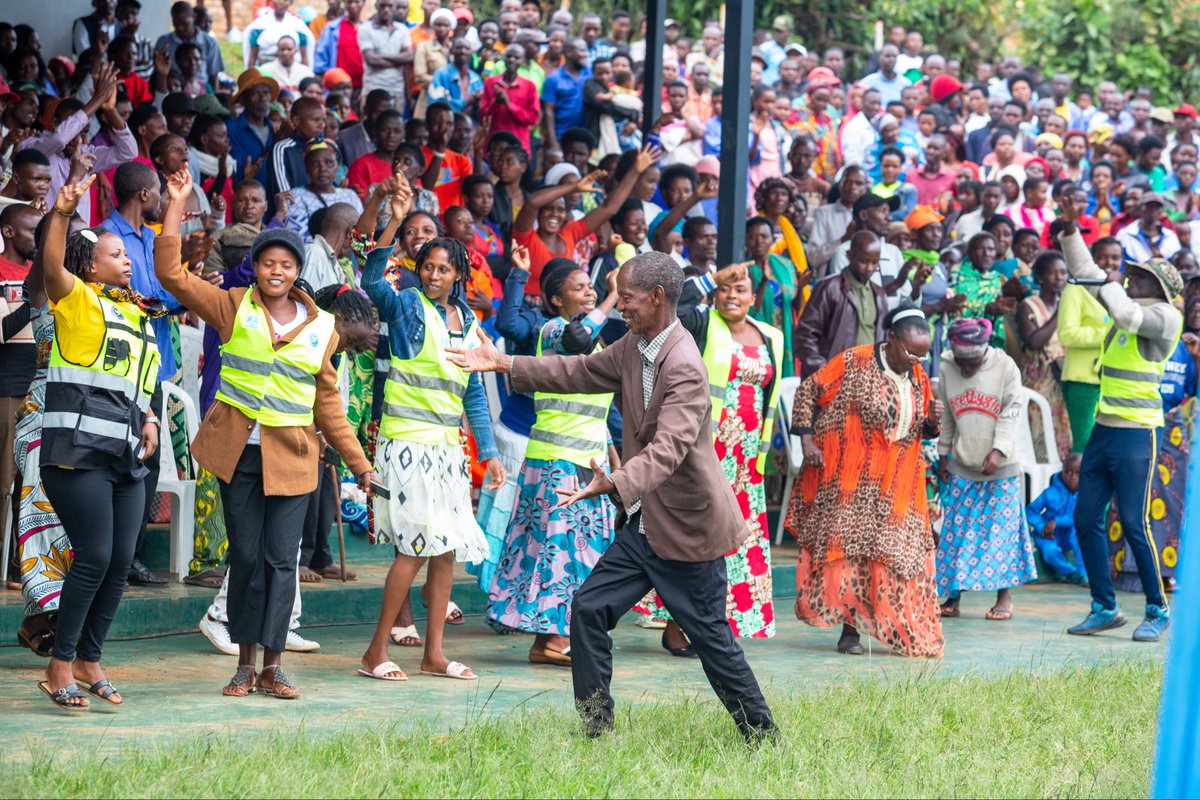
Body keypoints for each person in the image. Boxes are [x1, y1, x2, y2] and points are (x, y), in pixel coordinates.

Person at [448, 251, 778, 743]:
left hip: (688, 526)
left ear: (658, 297)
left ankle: (763, 735)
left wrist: (613, 483)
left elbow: (668, 448)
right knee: (588, 609)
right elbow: (577, 370)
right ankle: (596, 730)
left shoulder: (683, 364)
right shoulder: (635, 345)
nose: (619, 306)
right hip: (645, 525)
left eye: (626, 297)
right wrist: (504, 363)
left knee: (711, 639)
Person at [155, 169, 374, 699]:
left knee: (282, 562)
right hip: (239, 456)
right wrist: (176, 204)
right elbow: (172, 276)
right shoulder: (232, 306)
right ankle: (244, 663)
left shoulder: (323, 326)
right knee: (247, 559)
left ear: (298, 270)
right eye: (267, 263)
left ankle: (273, 666)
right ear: (255, 268)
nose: (276, 271)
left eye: (286, 264)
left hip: (295, 459)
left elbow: (329, 406)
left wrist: (361, 465)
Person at [34, 171, 163, 710]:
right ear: (89, 264)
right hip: (76, 454)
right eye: (114, 254)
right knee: (95, 555)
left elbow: (139, 383)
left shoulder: (138, 313)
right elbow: (51, 266)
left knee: (119, 560)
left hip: (125, 455)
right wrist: (62, 213)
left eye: (126, 254)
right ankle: (58, 663)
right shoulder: (77, 299)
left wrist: (151, 419)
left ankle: (91, 658)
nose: (126, 259)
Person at [360, 220, 505, 683]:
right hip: (406, 442)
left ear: (459, 274)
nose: (435, 275)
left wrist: (490, 451)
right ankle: (376, 650)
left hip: (447, 449)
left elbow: (474, 396)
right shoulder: (405, 306)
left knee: (445, 552)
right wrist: (390, 226)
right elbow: (370, 282)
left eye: (444, 269)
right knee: (416, 547)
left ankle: (434, 655)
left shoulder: (470, 322)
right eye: (428, 267)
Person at [1057, 195, 1183, 642]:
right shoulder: (1125, 302)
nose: (1127, 278)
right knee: (1085, 517)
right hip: (1106, 432)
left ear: (1157, 285)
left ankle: (1156, 608)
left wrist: (1108, 283)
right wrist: (1070, 231)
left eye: (1136, 275)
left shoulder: (1165, 317)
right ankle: (1104, 606)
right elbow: (1092, 277)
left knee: (1134, 522)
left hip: (1137, 436)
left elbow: (1125, 313)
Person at [786, 304, 944, 657]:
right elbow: (808, 391)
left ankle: (900, 629)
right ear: (890, 339)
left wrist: (933, 422)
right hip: (851, 477)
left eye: (922, 355)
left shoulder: (917, 377)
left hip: (900, 481)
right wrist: (807, 439)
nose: (916, 361)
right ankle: (851, 632)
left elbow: (921, 430)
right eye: (909, 352)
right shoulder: (854, 362)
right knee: (853, 555)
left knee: (899, 557)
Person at [487, 253, 622, 664]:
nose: (589, 292)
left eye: (591, 287)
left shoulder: (592, 338)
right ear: (555, 299)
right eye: (578, 288)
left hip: (587, 461)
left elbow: (598, 412)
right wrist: (614, 295)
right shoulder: (554, 330)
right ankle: (555, 639)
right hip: (557, 460)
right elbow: (579, 340)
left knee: (572, 550)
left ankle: (548, 640)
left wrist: (613, 456)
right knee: (558, 551)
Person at [640, 266, 784, 645]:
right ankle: (678, 627)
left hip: (746, 460)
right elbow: (672, 306)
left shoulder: (771, 337)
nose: (732, 296)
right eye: (724, 289)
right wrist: (709, 278)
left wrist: (760, 458)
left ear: (754, 298)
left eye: (741, 289)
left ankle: (715, 626)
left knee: (737, 541)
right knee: (698, 538)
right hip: (706, 452)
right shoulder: (699, 324)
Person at [935, 318, 1037, 620]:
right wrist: (943, 455)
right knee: (956, 531)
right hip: (963, 464)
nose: (967, 368)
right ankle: (952, 596)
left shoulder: (1005, 367)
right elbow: (949, 417)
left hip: (1001, 467)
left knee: (1001, 533)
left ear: (985, 351)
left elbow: (1012, 412)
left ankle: (1004, 599)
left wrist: (998, 450)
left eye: (973, 362)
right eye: (962, 362)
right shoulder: (947, 368)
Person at [796, 230, 888, 378]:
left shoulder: (879, 294)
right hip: (832, 378)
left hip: (868, 379)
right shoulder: (829, 288)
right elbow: (805, 334)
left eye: (875, 262)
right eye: (864, 261)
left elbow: (883, 339)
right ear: (849, 256)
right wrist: (823, 370)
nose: (870, 268)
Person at [1016, 251, 1074, 459]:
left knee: (1065, 434)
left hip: (1066, 378)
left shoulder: (1072, 304)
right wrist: (1059, 314)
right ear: (1039, 277)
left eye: (1062, 273)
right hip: (1040, 381)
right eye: (1052, 273)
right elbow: (1033, 341)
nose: (1059, 278)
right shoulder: (1028, 306)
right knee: (1040, 434)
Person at [1057, 237, 1112, 452]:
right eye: (1103, 257)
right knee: (1085, 444)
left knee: (1104, 448)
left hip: (1111, 380)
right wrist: (1108, 334)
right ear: (1092, 259)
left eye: (1116, 257)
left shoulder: (1122, 291)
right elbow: (1067, 334)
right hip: (1082, 379)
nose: (1110, 262)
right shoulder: (1076, 288)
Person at [282, 141, 363, 241]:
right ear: (306, 168)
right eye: (315, 164)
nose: (323, 168)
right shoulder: (296, 196)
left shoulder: (350, 195)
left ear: (337, 166)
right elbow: (299, 240)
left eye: (329, 163)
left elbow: (362, 236)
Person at [1026, 453, 1087, 583]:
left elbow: (1080, 517)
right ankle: (1072, 574)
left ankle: (1084, 574)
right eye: (1068, 472)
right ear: (1062, 471)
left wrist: (1056, 521)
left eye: (1078, 473)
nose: (1073, 477)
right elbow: (1030, 511)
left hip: (1070, 537)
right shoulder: (1051, 492)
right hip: (1047, 535)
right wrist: (1042, 527)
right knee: (1049, 551)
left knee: (1079, 532)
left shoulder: (1085, 495)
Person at [480, 42, 541, 157]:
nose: (512, 60)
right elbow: (483, 115)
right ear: (503, 58)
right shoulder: (491, 82)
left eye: (516, 57)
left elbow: (533, 119)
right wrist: (496, 102)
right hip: (494, 144)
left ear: (522, 61)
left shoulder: (529, 86)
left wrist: (509, 105)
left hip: (518, 146)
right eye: (509, 56)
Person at [359, 0, 413, 112]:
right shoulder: (366, 28)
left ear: (395, 8)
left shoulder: (402, 29)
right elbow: (371, 60)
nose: (386, 9)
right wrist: (399, 59)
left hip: (397, 91)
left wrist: (380, 56)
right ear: (376, 6)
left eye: (390, 6)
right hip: (373, 89)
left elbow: (409, 56)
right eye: (382, 6)